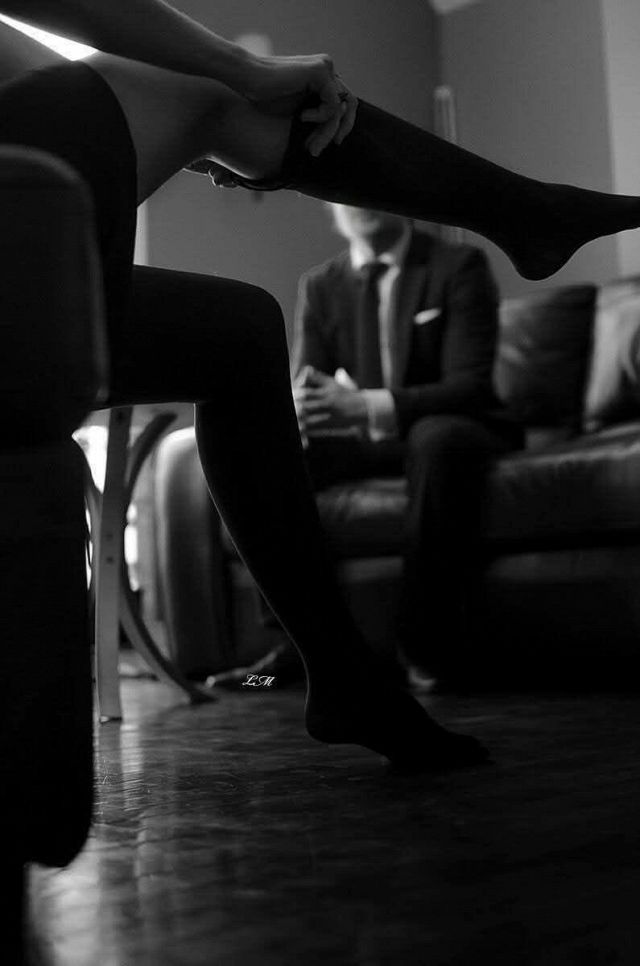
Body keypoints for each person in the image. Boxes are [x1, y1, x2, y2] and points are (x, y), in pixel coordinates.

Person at [1, 0, 640, 773]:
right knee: (208, 86)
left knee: (236, 335)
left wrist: (178, 122)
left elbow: (24, 70)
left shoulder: (454, 270)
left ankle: (347, 676)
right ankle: (532, 212)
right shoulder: (329, 285)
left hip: (432, 425)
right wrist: (230, 79)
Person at [214, 205, 521, 690]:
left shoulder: (458, 265)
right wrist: (302, 408)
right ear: (331, 209)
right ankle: (298, 646)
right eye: (343, 195)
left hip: (451, 427)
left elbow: (469, 387)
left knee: (437, 438)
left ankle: (426, 646)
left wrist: (363, 406)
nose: (357, 203)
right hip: (363, 441)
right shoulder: (320, 284)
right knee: (265, 456)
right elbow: (309, 383)